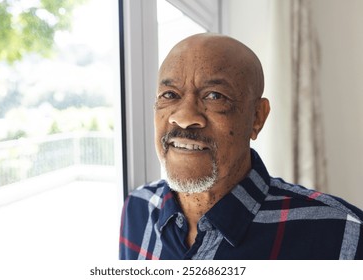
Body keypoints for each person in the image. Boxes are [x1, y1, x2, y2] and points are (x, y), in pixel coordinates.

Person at [119, 33, 363, 260]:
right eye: (170, 95)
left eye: (214, 96)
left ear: (257, 117)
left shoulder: (340, 233)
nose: (184, 117)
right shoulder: (139, 209)